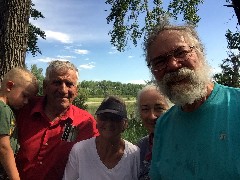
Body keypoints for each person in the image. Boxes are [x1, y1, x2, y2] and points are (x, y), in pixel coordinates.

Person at [144, 19, 240, 179]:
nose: (173, 65)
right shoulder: (163, 125)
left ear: (201, 52)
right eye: (159, 61)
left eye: (181, 52)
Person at [15, 60, 99, 180]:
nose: (63, 90)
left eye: (69, 84)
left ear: (76, 90)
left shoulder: (85, 122)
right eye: (57, 82)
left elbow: (101, 157)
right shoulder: (24, 107)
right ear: (45, 86)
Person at [63, 96, 140, 180]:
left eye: (115, 118)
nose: (109, 123)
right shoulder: (79, 150)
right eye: (104, 117)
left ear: (125, 124)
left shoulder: (134, 154)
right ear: (97, 121)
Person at [0, 67, 38, 180]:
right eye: (24, 96)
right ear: (9, 86)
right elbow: (3, 147)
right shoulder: (3, 109)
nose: (26, 102)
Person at [136, 84, 170, 180]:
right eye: (145, 109)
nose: (152, 116)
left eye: (159, 108)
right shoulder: (141, 147)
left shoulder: (184, 144)